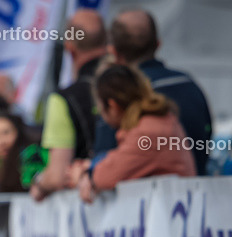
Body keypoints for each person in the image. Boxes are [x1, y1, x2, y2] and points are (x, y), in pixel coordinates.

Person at [94, 9, 212, 175]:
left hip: (138, 196)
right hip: (197, 192)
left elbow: (103, 159)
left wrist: (87, 173)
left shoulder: (120, 95)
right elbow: (207, 140)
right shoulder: (189, 84)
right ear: (158, 44)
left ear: (113, 52)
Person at [77, 64, 194, 203]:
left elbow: (108, 175)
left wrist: (85, 174)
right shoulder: (158, 122)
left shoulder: (147, 132)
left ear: (113, 106)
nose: (101, 115)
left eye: (100, 109)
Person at [30, 9, 108, 200]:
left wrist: (39, 182)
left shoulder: (63, 99)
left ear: (69, 47)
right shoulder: (134, 84)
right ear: (107, 44)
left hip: (92, 209)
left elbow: (56, 176)